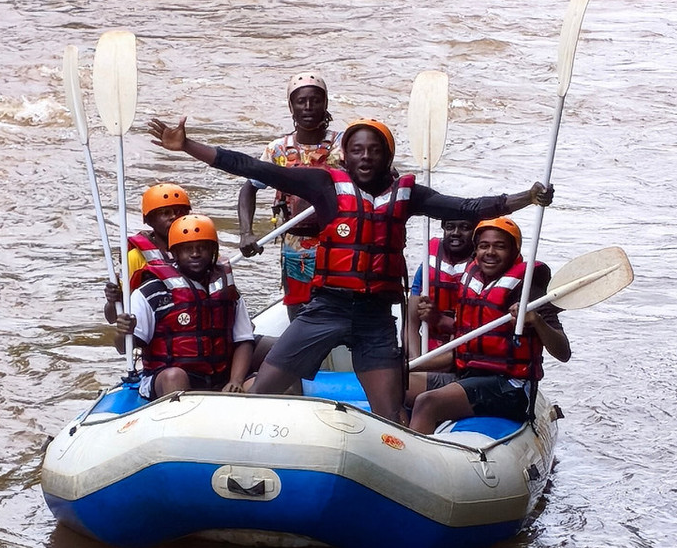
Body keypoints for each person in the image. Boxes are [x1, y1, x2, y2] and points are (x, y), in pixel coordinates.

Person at [146, 114, 552, 424]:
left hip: (375, 317)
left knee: (389, 416)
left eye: (374, 150)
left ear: (387, 155)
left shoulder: (406, 195)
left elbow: (468, 207)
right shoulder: (324, 186)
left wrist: (527, 197)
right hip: (326, 309)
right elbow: (255, 169)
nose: (365, 157)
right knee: (264, 387)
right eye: (357, 149)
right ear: (345, 154)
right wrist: (188, 146)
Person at [408, 217, 570, 434]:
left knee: (427, 402)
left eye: (500, 246)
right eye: (484, 246)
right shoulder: (473, 280)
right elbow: (462, 351)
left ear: (514, 251)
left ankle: (415, 459)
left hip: (510, 387)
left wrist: (537, 321)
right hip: (468, 376)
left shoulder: (530, 289)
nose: (490, 252)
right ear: (476, 251)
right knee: (395, 382)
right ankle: (401, 439)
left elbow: (563, 352)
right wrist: (408, 365)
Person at [237, 71, 343, 321]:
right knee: (299, 316)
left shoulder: (345, 144)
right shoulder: (277, 150)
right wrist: (246, 232)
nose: (308, 107)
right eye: (301, 101)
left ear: (325, 104)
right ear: (291, 106)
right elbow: (249, 188)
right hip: (296, 247)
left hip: (338, 243)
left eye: (316, 100)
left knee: (339, 312)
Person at [114, 214, 255, 398]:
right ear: (175, 253)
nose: (195, 254)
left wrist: (236, 380)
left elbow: (243, 339)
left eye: (202, 248)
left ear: (213, 251)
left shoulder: (228, 292)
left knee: (260, 381)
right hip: (167, 377)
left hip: (221, 377)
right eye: (187, 249)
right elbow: (123, 348)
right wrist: (121, 332)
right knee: (175, 377)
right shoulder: (152, 292)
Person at [103, 182, 192, 325]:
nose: (174, 217)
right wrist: (113, 300)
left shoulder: (201, 251)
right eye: (165, 213)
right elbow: (113, 317)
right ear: (149, 220)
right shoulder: (136, 257)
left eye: (179, 212)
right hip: (156, 329)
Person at [406, 218, 476, 359]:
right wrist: (416, 359)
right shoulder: (429, 263)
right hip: (428, 346)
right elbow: (411, 323)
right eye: (450, 226)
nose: (456, 233)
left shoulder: (482, 267)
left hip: (463, 350)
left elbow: (478, 330)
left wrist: (439, 320)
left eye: (465, 227)